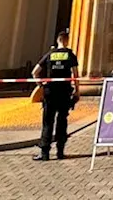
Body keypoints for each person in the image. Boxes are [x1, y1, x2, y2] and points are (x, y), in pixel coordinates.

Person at [32, 30, 79, 160]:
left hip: (50, 92)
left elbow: (34, 72)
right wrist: (77, 90)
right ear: (66, 40)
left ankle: (45, 152)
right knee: (62, 121)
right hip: (64, 92)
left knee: (47, 122)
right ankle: (60, 151)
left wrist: (40, 85)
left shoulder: (50, 54)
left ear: (58, 40)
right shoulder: (70, 55)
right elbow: (75, 75)